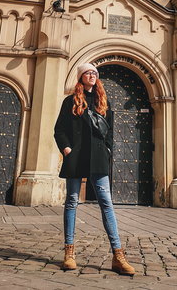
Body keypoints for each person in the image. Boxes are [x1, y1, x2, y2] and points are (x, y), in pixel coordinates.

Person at [54, 63, 135, 276]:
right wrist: (67, 149)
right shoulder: (70, 101)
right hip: (76, 157)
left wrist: (107, 150)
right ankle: (69, 254)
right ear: (81, 78)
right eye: (88, 73)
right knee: (72, 201)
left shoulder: (103, 102)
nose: (91, 75)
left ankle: (118, 255)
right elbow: (59, 130)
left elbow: (109, 132)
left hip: (98, 158)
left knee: (106, 203)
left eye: (94, 73)